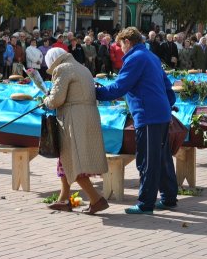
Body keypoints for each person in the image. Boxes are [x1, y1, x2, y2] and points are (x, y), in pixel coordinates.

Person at [95, 27, 177, 214]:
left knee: (147, 160)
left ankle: (146, 203)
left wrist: (95, 92)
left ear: (128, 42)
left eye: (120, 45)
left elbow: (120, 86)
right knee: (162, 158)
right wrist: (166, 107)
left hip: (147, 115)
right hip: (160, 113)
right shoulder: (151, 56)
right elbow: (168, 88)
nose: (120, 49)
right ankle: (169, 198)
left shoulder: (135, 58)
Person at [43, 48, 109, 215]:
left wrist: (46, 99)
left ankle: (96, 199)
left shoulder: (62, 69)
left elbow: (57, 99)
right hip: (89, 117)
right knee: (67, 159)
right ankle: (64, 199)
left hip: (73, 119)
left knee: (74, 160)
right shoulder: (83, 68)